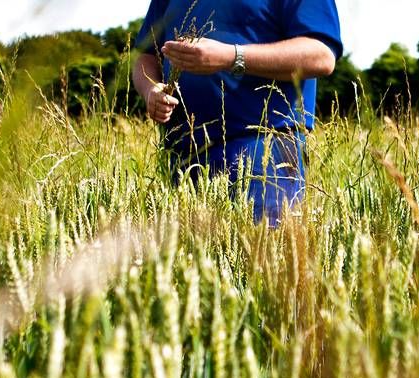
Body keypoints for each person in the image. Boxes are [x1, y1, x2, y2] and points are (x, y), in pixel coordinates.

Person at [132, 0, 343, 225]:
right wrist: (150, 89)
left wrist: (232, 57)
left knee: (263, 255)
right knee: (188, 258)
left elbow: (320, 55)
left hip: (264, 150)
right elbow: (145, 56)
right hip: (181, 154)